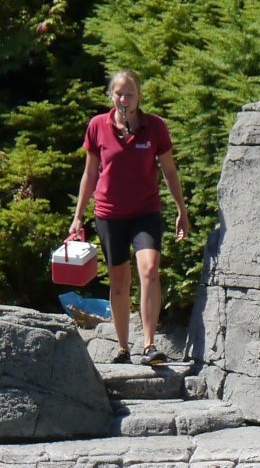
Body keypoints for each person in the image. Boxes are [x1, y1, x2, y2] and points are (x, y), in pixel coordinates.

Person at [68, 69, 190, 365]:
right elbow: (90, 174)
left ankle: (149, 345)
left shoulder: (155, 126)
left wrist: (181, 210)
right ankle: (123, 349)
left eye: (130, 94)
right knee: (119, 282)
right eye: (119, 93)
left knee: (149, 269)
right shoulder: (98, 126)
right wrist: (78, 216)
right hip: (109, 214)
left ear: (139, 97)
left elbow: (169, 171)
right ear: (111, 95)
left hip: (145, 212)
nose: (124, 99)